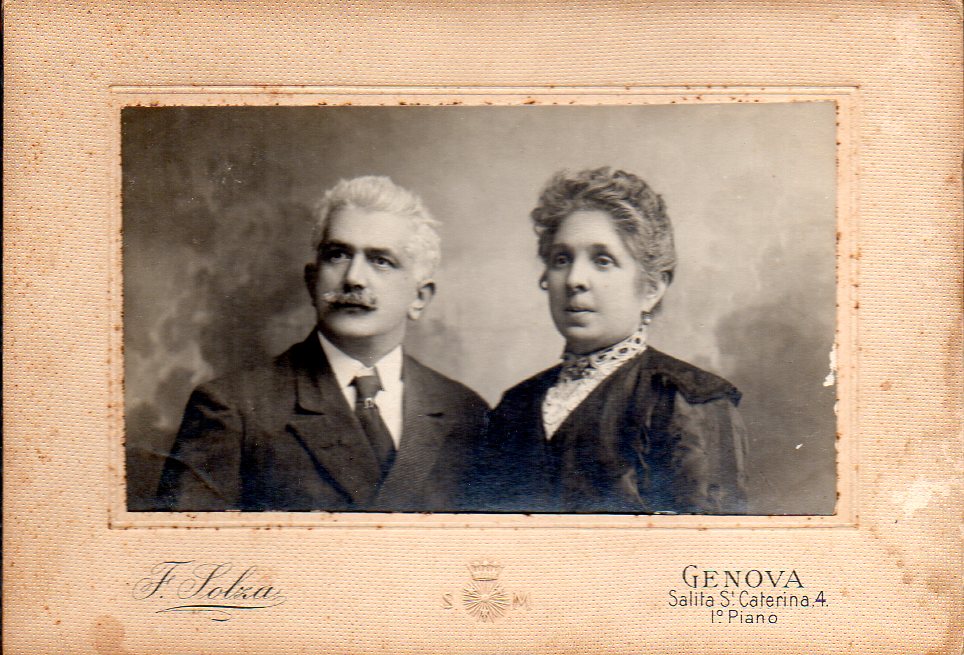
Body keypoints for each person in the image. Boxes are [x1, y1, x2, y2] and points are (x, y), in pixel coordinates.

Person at [157, 176, 488, 512]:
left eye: (381, 261)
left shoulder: (464, 412)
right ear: (312, 281)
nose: (353, 278)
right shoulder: (233, 408)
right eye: (338, 255)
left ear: (419, 298)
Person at [473, 167, 748, 514]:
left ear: (651, 287)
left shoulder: (686, 400)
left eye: (602, 261)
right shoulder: (516, 405)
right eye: (561, 260)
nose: (574, 279)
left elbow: (705, 540)